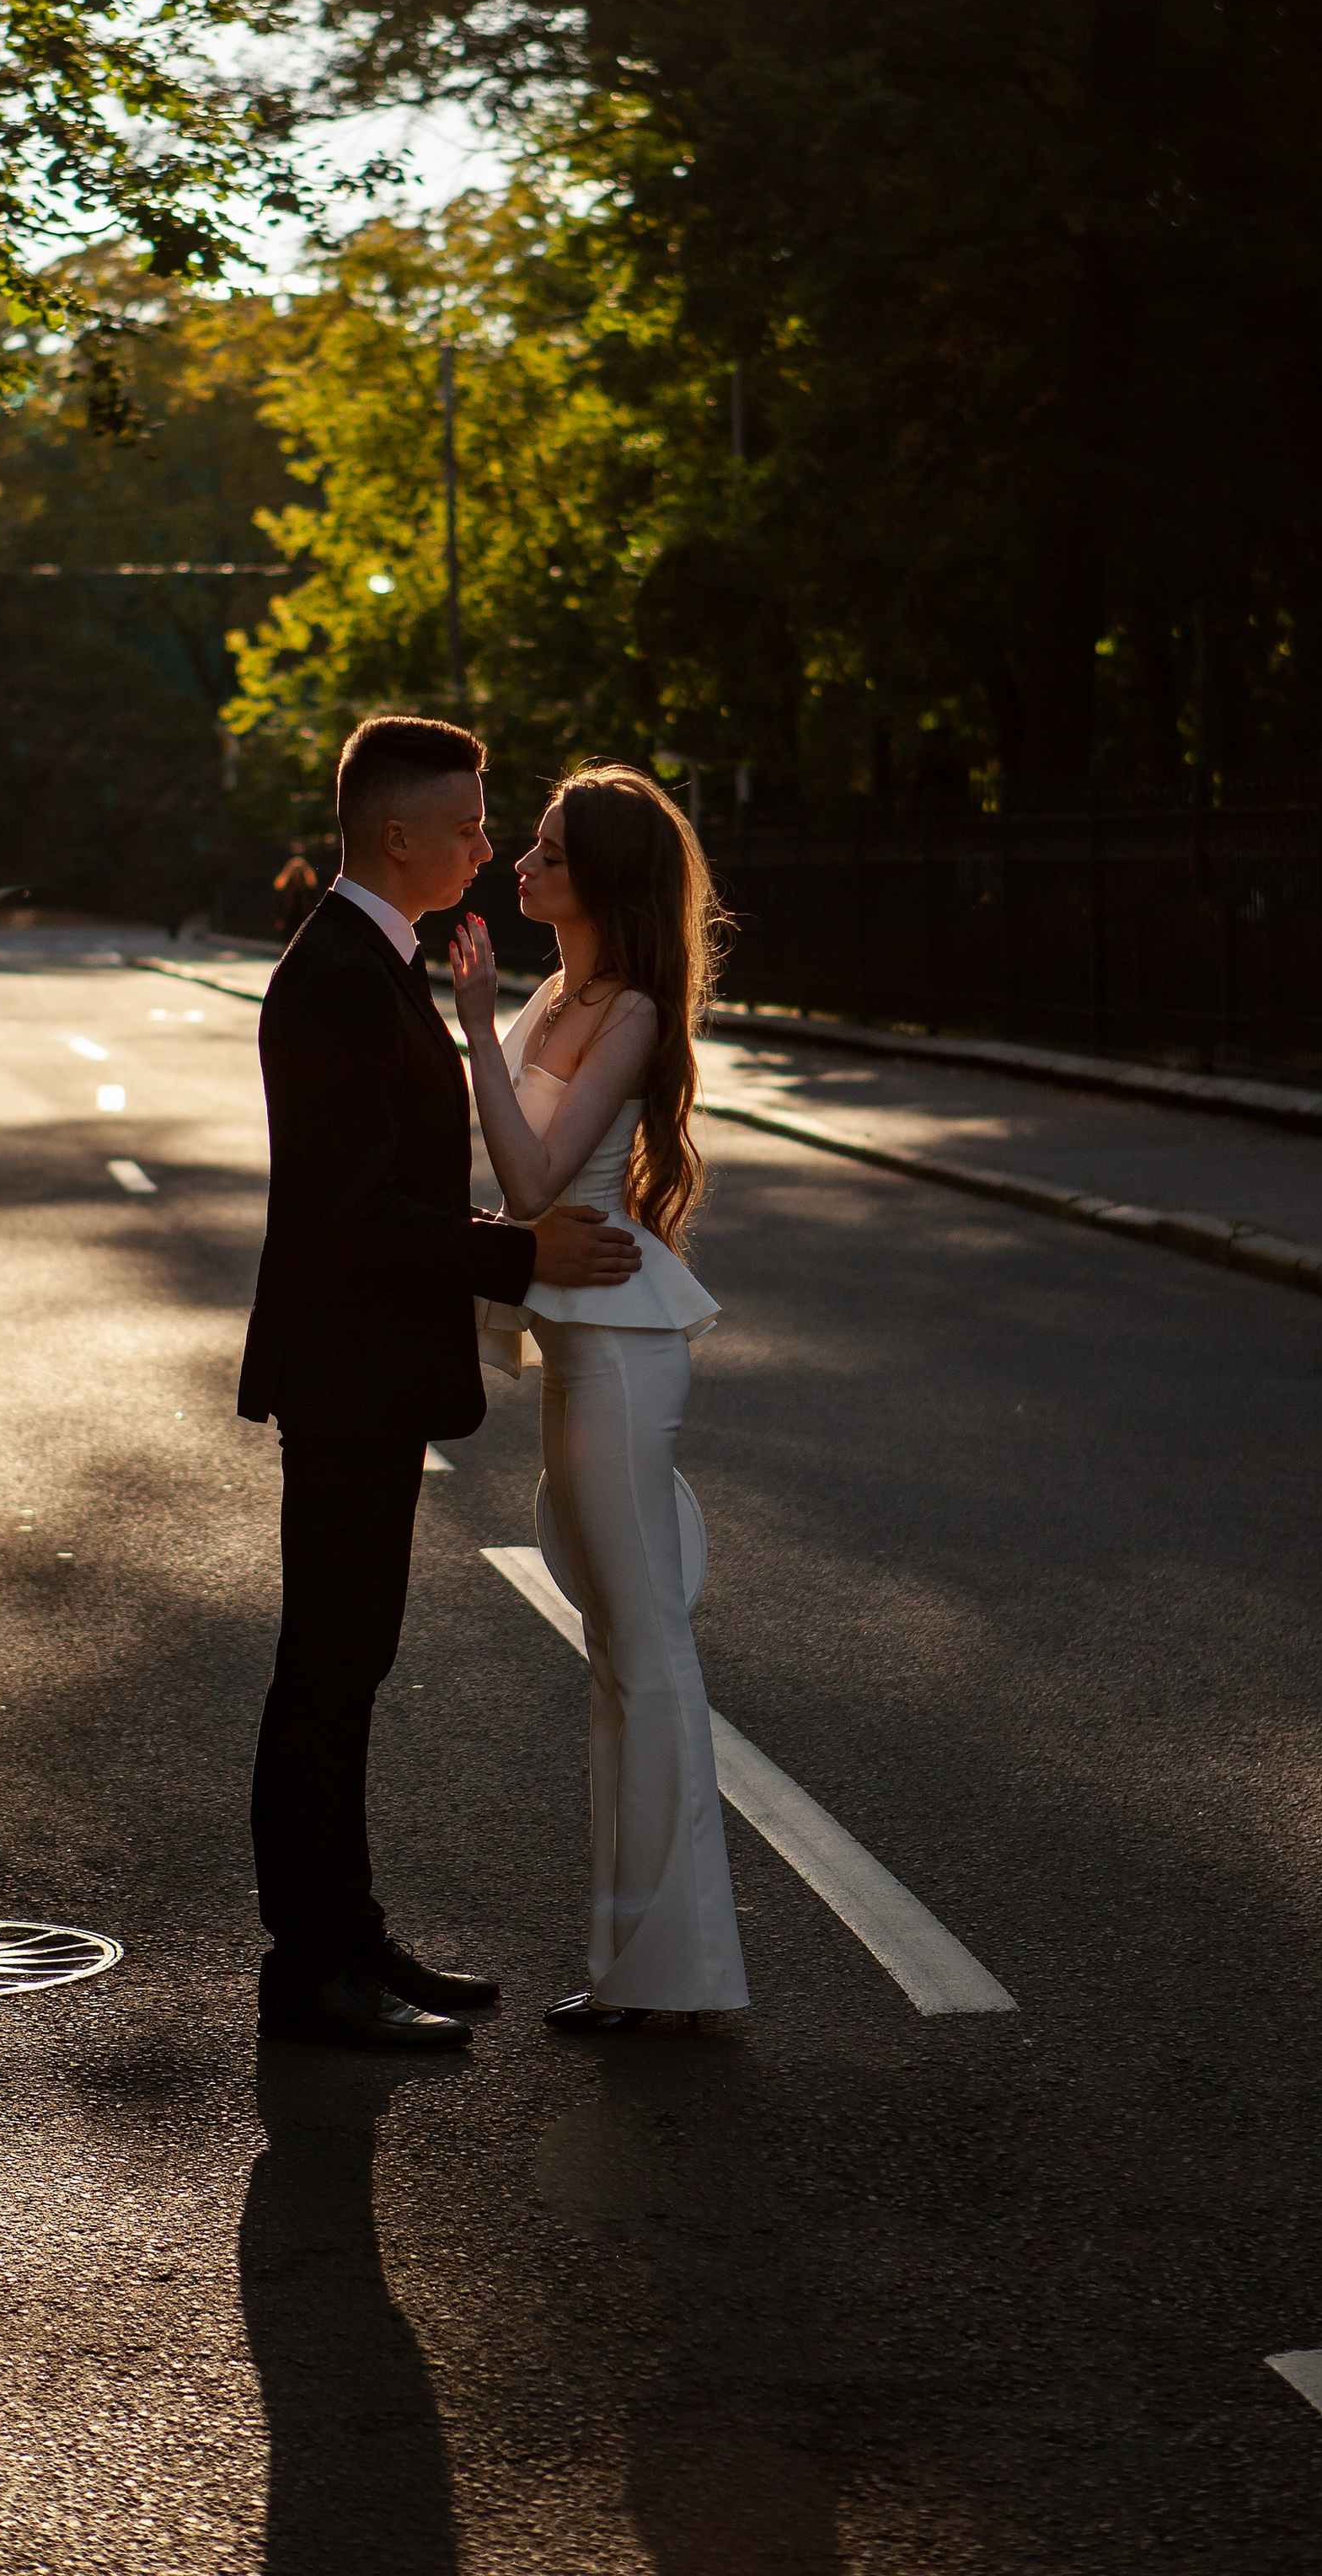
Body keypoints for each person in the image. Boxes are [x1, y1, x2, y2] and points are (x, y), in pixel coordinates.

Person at [239, 715, 643, 2050]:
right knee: (329, 1665)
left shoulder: (372, 956)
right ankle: (314, 1969)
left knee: (350, 1662)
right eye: (471, 825)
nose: (488, 843)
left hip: (368, 1372)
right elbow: (355, 1217)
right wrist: (518, 1253)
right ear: (398, 836)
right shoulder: (342, 977)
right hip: (347, 1372)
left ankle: (350, 1940)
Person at [449, 766, 749, 2034]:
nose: (521, 865)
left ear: (607, 884)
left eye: (551, 855)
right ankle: (634, 1967)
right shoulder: (558, 994)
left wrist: (470, 1023)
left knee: (647, 1649)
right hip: (576, 1347)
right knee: (619, 1653)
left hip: (622, 1349)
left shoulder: (623, 1011)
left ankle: (671, 1977)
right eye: (530, 846)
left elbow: (527, 1186)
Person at [271, 851, 318, 944]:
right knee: (289, 941)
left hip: (304, 918)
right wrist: (280, 918)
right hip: (290, 919)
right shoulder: (286, 888)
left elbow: (314, 904)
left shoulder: (308, 888)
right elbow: (281, 905)